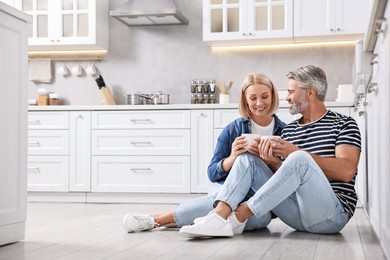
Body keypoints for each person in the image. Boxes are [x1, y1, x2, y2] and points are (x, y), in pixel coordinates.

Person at [179, 65, 361, 238]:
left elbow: (346, 172)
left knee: (299, 158)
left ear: (310, 92)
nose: (287, 97)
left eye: (291, 91)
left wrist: (295, 153)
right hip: (296, 216)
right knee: (247, 159)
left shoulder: (343, 123)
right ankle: (219, 217)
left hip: (331, 216)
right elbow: (286, 180)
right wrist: (272, 163)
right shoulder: (289, 131)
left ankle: (238, 217)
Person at [122, 73, 286, 233]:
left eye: (264, 96)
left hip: (261, 204)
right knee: (225, 203)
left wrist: (273, 162)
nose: (259, 103)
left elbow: (291, 179)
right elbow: (212, 173)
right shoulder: (233, 130)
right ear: (245, 99)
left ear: (273, 96)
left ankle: (194, 219)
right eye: (252, 98)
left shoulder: (285, 133)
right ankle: (155, 220)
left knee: (260, 219)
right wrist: (233, 158)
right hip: (229, 194)